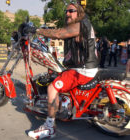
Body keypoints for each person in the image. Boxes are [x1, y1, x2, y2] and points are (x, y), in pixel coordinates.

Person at [28, 2, 99, 140]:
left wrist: (36, 30)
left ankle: (49, 127)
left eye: (71, 11)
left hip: (82, 70)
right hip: (82, 67)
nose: (67, 13)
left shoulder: (81, 24)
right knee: (55, 74)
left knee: (52, 88)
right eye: (66, 11)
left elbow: (59, 33)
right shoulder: (81, 25)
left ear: (78, 12)